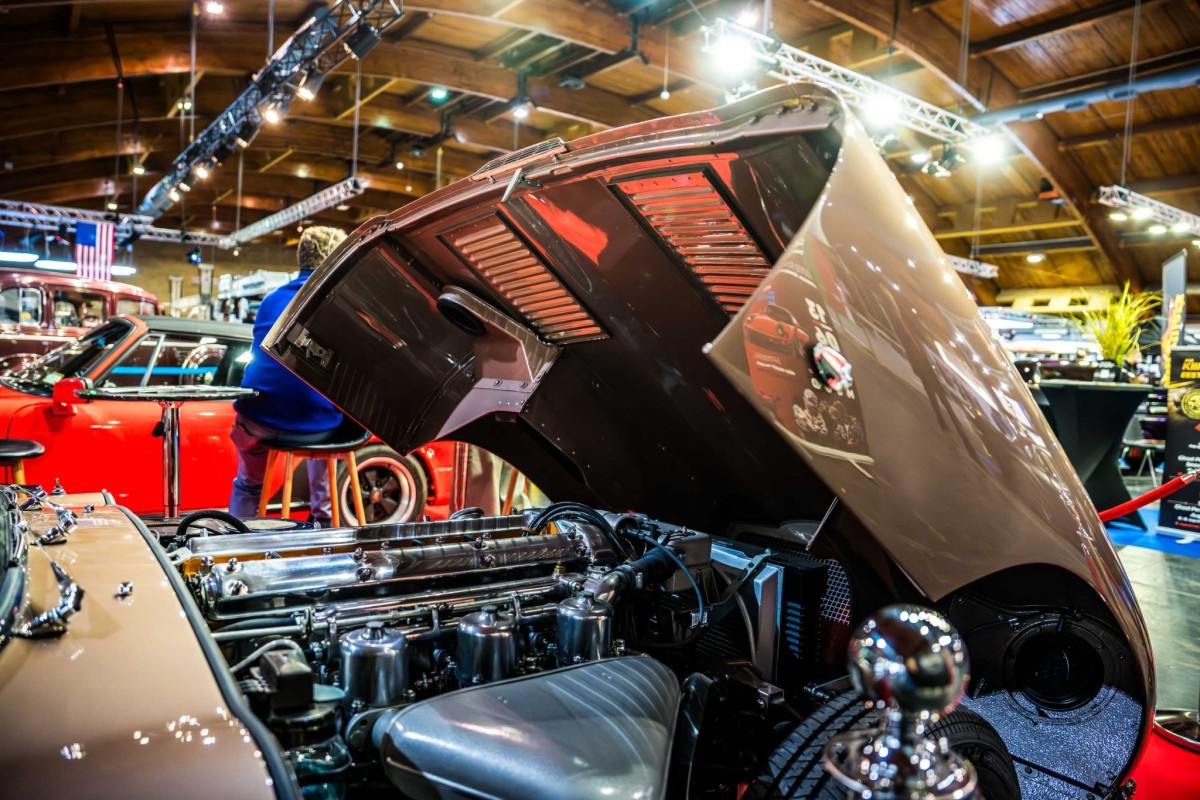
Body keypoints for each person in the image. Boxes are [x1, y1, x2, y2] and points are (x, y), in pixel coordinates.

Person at [228, 226, 347, 525]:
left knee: (247, 483)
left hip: (258, 418)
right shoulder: (340, 302)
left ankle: (237, 533)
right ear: (336, 257)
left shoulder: (271, 300)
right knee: (328, 418)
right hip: (315, 425)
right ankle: (324, 519)